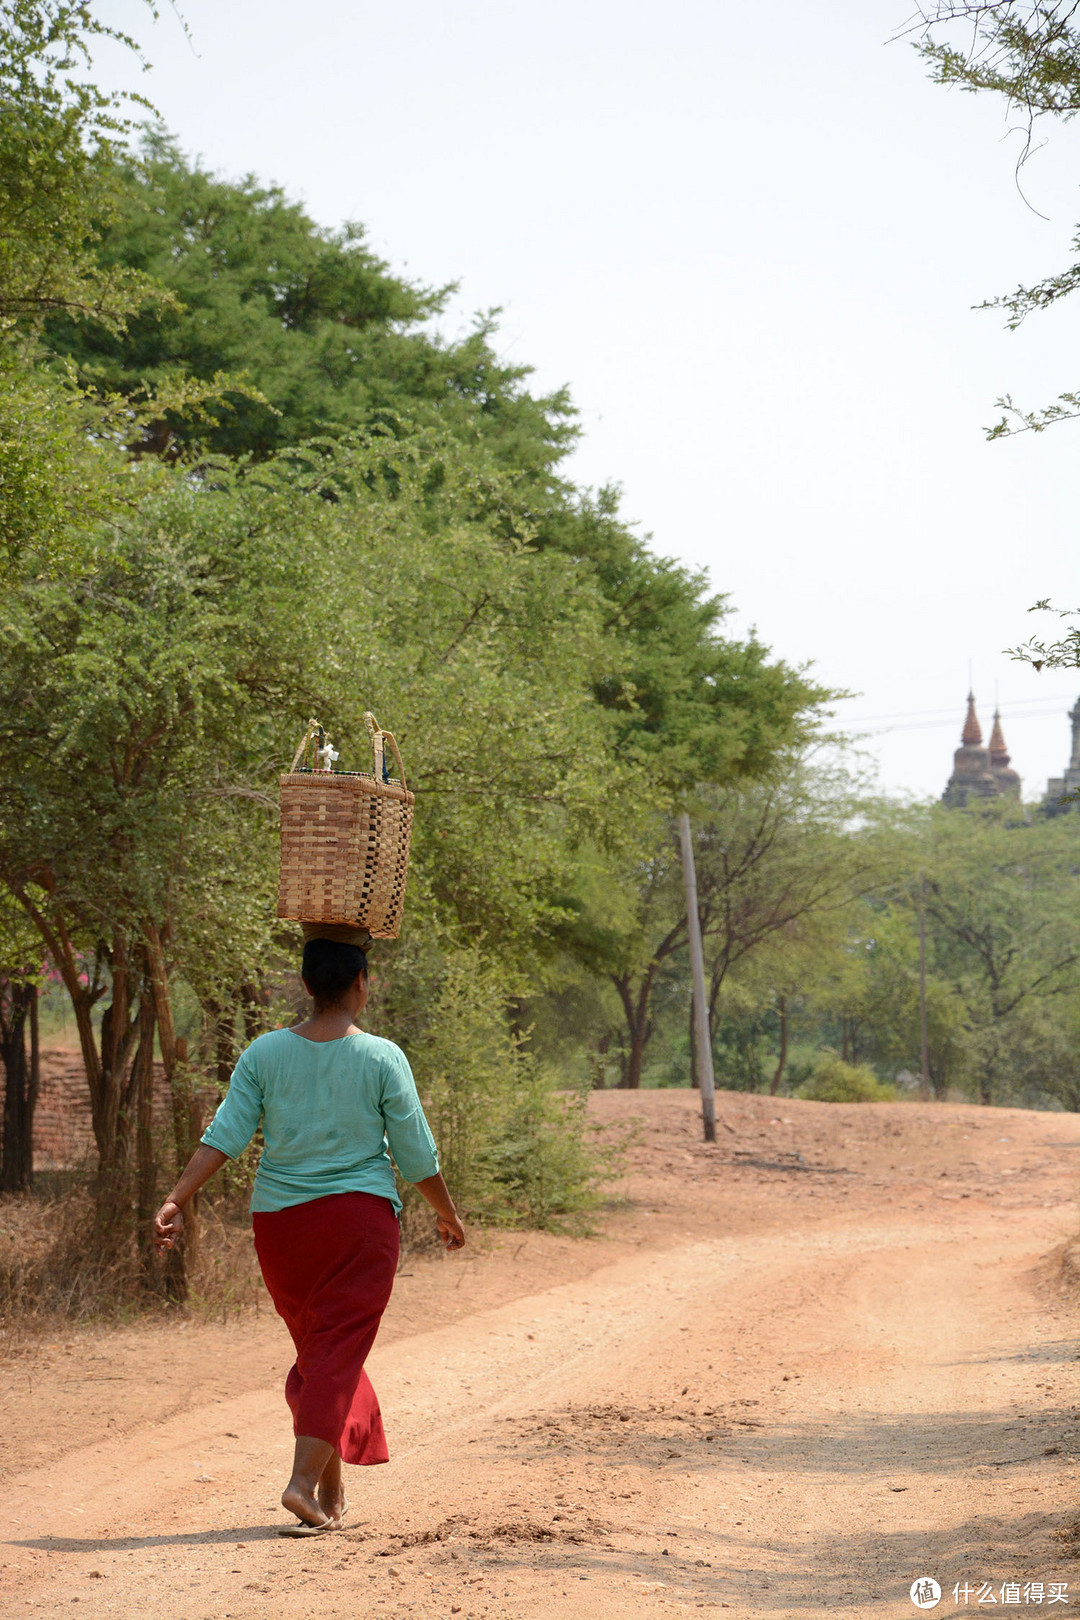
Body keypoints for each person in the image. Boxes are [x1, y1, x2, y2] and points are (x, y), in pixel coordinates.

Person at [153, 937, 465, 1537]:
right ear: (361, 983)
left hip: (282, 1228)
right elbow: (416, 1152)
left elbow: (225, 1133)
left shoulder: (265, 1053)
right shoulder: (381, 1057)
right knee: (337, 1349)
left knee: (321, 1351)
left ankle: (329, 1490)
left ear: (305, 985)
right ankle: (300, 1483)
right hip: (359, 1223)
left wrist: (177, 1196)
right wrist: (448, 1214)